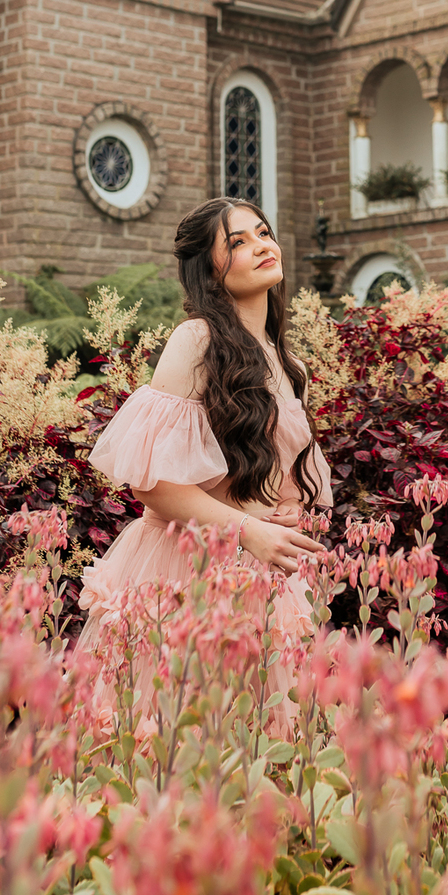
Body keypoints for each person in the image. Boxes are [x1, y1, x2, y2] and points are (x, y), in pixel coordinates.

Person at [76, 196, 331, 662]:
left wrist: (285, 517)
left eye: (263, 233)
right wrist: (249, 530)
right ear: (210, 269)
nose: (261, 245)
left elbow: (282, 482)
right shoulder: (196, 341)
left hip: (258, 573)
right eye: (238, 241)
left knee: (256, 724)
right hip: (183, 567)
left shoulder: (291, 366)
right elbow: (154, 485)